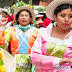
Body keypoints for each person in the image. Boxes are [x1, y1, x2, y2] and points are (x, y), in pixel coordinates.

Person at [31, 0, 72, 72]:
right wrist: (58, 61)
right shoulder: (44, 33)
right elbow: (35, 57)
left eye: (70, 16)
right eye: (62, 16)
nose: (66, 19)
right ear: (55, 17)